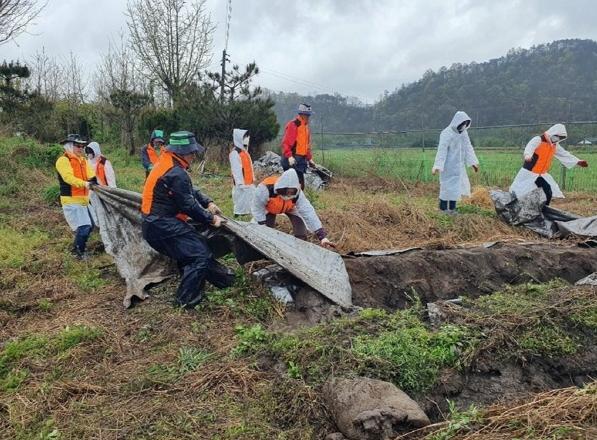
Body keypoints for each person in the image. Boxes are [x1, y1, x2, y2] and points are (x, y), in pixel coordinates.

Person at [141, 131, 234, 309]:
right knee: (199, 255)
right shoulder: (175, 172)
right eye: (192, 152)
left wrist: (208, 202)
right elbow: (188, 205)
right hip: (160, 224)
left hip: (157, 223)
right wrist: (211, 219)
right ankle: (185, 300)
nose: (193, 156)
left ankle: (225, 280)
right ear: (183, 152)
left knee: (194, 247)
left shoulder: (168, 163)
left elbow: (189, 189)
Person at [252, 168, 335, 248]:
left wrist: (322, 236)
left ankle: (299, 250)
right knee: (266, 232)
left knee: (301, 233)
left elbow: (308, 212)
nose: (287, 195)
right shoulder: (265, 189)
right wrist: (262, 224)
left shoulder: (298, 194)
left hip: (290, 208)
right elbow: (257, 208)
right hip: (269, 209)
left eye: (291, 192)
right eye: (285, 191)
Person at [509, 124, 588, 205]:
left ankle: (544, 209)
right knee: (520, 193)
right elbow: (529, 148)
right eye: (557, 137)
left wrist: (578, 161)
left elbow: (564, 154)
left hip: (541, 174)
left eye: (560, 138)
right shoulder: (538, 140)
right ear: (552, 133)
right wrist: (527, 156)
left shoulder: (554, 145)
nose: (558, 139)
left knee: (547, 191)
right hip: (529, 173)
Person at [55, 134, 97, 260]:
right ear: (69, 146)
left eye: (82, 146)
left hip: (84, 199)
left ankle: (80, 247)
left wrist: (94, 181)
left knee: (91, 225)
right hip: (71, 199)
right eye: (77, 146)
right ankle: (78, 252)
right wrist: (85, 184)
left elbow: (90, 174)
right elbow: (68, 178)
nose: (80, 148)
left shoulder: (83, 160)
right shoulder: (63, 160)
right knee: (84, 227)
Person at [432, 111, 479, 213]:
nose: (464, 126)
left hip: (459, 167)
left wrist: (473, 163)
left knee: (456, 188)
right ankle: (443, 208)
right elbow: (442, 150)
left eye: (466, 124)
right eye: (463, 124)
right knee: (446, 187)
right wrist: (437, 166)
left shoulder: (464, 133)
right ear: (457, 122)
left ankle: (452, 209)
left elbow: (468, 147)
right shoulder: (446, 133)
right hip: (448, 166)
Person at [281, 103, 315, 188]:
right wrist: (289, 156)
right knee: (293, 187)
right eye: (307, 115)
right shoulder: (294, 125)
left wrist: (309, 159)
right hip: (292, 159)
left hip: (301, 160)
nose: (308, 117)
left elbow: (306, 146)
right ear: (301, 114)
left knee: (299, 186)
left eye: (309, 115)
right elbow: (286, 142)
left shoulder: (306, 127)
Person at [229, 128, 255, 216]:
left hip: (249, 181)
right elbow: (236, 170)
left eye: (247, 136)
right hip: (241, 183)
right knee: (240, 200)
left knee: (249, 198)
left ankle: (247, 212)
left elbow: (250, 166)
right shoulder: (235, 153)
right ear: (239, 138)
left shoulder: (245, 152)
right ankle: (238, 214)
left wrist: (253, 178)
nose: (247, 139)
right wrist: (240, 183)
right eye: (244, 137)